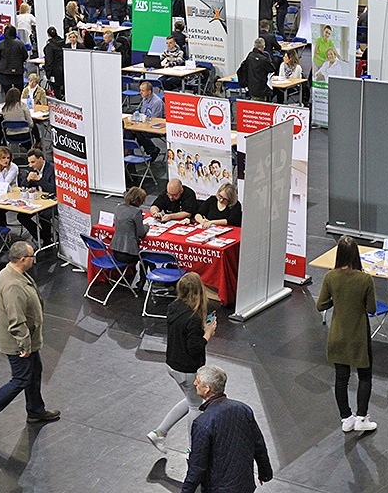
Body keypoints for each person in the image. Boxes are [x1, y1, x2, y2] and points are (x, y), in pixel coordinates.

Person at [0, 241, 61, 436]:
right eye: (32, 257)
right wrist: (25, 344)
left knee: (35, 370)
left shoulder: (13, 272)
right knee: (21, 378)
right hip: (18, 342)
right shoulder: (13, 285)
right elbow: (16, 320)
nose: (34, 260)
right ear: (23, 260)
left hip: (27, 338)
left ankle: (36, 411)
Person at [148, 272, 217, 453]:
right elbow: (195, 348)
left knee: (190, 399)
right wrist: (208, 333)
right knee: (196, 406)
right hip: (188, 369)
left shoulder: (174, 307)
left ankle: (160, 432)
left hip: (173, 364)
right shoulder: (193, 318)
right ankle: (192, 450)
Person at [315, 235, 377, 432]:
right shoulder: (365, 279)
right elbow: (372, 308)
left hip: (338, 334)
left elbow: (321, 305)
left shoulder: (330, 277)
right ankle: (362, 418)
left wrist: (337, 299)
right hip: (358, 335)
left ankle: (346, 418)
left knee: (341, 378)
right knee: (364, 376)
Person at [181, 365, 273, 493]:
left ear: (207, 389)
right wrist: (265, 472)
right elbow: (258, 444)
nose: (195, 383)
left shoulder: (203, 422)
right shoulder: (243, 409)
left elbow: (197, 466)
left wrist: (186, 490)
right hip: (244, 485)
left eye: (198, 381)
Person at [109, 186, 147, 289]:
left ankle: (134, 276)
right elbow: (141, 233)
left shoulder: (119, 207)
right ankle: (142, 282)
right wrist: (147, 227)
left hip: (116, 251)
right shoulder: (136, 212)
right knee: (147, 257)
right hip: (129, 253)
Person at [18, 149, 56, 245]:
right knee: (21, 216)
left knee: (43, 215)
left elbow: (53, 189)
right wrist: (28, 179)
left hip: (52, 201)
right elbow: (23, 186)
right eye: (29, 162)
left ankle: (47, 242)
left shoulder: (52, 169)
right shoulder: (32, 169)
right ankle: (42, 236)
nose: (31, 165)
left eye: (33, 162)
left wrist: (39, 179)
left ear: (41, 159)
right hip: (37, 200)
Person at [129, 81, 165, 161]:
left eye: (142, 90)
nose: (140, 92)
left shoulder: (157, 102)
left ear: (149, 92)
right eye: (140, 90)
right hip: (145, 123)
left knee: (139, 133)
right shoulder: (144, 99)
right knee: (128, 132)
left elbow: (154, 120)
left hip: (156, 126)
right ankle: (129, 153)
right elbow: (142, 113)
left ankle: (152, 150)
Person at [0, 24, 28, 91]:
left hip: (4, 72)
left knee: (7, 92)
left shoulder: (0, 44)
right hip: (18, 71)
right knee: (18, 93)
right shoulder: (20, 43)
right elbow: (25, 56)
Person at [43, 26, 66, 100]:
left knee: (57, 92)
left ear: (48, 35)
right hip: (65, 69)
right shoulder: (63, 42)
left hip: (55, 71)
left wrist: (48, 74)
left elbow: (49, 61)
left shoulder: (49, 46)